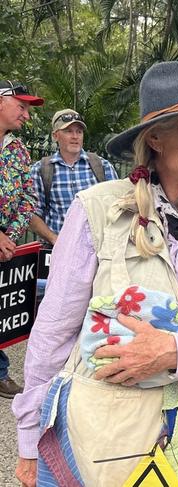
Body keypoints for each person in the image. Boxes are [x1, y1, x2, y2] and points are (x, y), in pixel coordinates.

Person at [13, 61, 178, 487]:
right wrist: (30, 437)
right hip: (101, 438)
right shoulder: (96, 210)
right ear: (156, 138)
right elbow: (53, 329)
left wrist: (176, 352)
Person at [0, 80, 43, 399]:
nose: (27, 115)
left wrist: (10, 238)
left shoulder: (19, 150)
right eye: (22, 106)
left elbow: (28, 196)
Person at [29, 108, 119, 246]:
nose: (75, 136)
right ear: (55, 135)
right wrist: (55, 240)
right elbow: (31, 214)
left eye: (79, 131)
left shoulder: (102, 166)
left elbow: (118, 207)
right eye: (68, 131)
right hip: (57, 252)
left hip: (97, 252)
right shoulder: (41, 170)